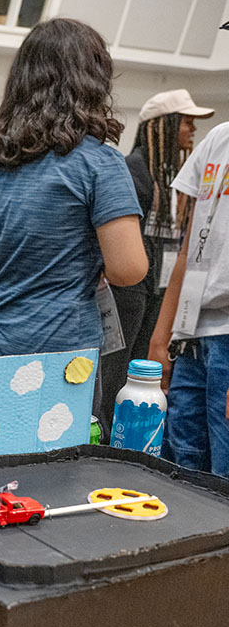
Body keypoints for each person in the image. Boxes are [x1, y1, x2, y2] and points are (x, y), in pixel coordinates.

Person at [0, 18, 147, 364]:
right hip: (60, 355)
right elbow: (128, 268)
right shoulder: (100, 163)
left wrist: (23, 260)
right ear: (94, 81)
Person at [99, 90, 213, 435]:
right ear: (163, 126)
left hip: (154, 292)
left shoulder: (170, 176)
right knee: (116, 373)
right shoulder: (132, 170)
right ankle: (105, 438)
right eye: (186, 122)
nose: (192, 130)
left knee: (143, 373)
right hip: (127, 293)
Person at [148, 119, 229, 477]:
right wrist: (159, 337)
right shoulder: (218, 138)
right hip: (192, 336)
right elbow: (189, 248)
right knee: (181, 467)